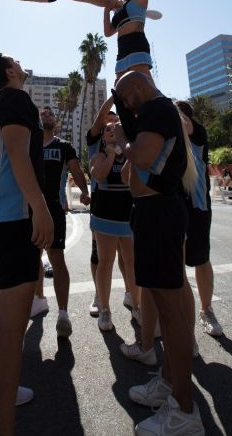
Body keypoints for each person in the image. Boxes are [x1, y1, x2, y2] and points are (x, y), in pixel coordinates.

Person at [114, 71, 205, 436]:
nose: (126, 106)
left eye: (125, 97)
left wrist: (123, 140)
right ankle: (169, 384)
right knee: (167, 307)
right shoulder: (159, 111)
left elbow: (144, 157)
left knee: (170, 317)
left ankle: (185, 411)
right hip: (155, 215)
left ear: (138, 88)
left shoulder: (154, 109)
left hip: (160, 217)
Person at [0, 53, 54, 436]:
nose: (23, 65)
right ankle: (2, 424)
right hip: (16, 217)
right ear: (9, 71)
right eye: (17, 62)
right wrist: (40, 206)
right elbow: (19, 154)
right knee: (12, 324)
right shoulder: (17, 99)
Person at [30, 106, 90, 337]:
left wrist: (85, 192)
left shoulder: (63, 146)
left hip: (54, 208)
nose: (46, 116)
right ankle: (39, 299)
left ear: (56, 122)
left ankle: (63, 313)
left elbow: (76, 170)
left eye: (51, 114)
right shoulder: (29, 145)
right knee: (33, 255)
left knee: (56, 257)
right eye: (42, 114)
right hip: (31, 209)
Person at [177, 101, 223, 339]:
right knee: (177, 267)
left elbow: (184, 124)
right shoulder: (167, 139)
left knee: (201, 260)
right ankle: (186, 330)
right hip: (175, 206)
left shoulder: (197, 132)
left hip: (198, 207)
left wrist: (167, 107)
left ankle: (207, 310)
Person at [89, 118, 138, 333]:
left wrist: (124, 151)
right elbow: (99, 174)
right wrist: (110, 154)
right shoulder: (98, 155)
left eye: (114, 128)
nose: (110, 131)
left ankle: (137, 305)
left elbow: (131, 178)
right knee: (105, 262)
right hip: (104, 215)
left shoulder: (131, 153)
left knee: (131, 261)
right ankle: (105, 309)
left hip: (128, 215)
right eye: (107, 129)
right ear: (102, 136)